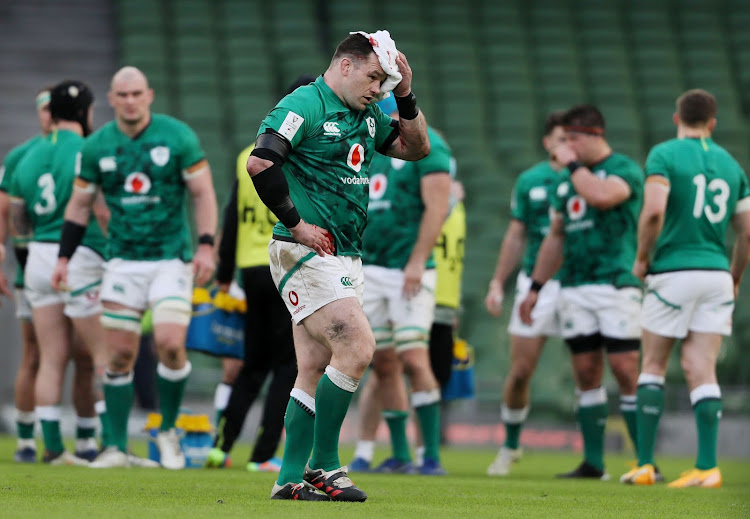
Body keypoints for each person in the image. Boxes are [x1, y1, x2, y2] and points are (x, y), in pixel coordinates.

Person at [246, 32, 429, 501]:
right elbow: (261, 162)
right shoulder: (304, 103)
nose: (377, 89)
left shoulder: (367, 114)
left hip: (343, 252)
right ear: (345, 66)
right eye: (374, 77)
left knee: (313, 366)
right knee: (359, 345)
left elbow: (416, 149)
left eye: (385, 83)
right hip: (303, 249)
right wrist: (297, 223)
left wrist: (404, 94)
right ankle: (324, 464)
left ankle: (288, 480)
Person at [51, 66, 218, 469]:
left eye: (136, 93)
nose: (129, 101)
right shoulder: (96, 147)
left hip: (170, 259)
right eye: (122, 95)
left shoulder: (177, 136)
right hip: (122, 261)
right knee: (119, 355)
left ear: (149, 95)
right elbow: (78, 206)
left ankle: (168, 431)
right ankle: (114, 447)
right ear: (111, 98)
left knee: (171, 344)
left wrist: (207, 247)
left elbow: (202, 193)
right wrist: (63, 257)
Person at [620, 89, 750, 488]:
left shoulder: (665, 155)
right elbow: (746, 232)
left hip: (674, 272)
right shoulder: (732, 164)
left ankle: (644, 464)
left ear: (677, 119)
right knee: (701, 369)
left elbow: (655, 209)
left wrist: (642, 258)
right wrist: (735, 277)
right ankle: (707, 467)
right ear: (713, 123)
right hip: (716, 275)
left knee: (654, 366)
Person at [519, 105, 643, 480]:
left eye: (572, 138)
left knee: (625, 370)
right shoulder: (565, 183)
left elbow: (603, 197)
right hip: (575, 283)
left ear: (593, 135)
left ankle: (646, 460)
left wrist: (573, 166)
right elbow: (555, 237)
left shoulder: (624, 170)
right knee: (586, 372)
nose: (565, 146)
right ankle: (594, 463)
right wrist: (536, 287)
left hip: (615, 282)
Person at [205, 74, 316, 473]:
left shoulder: (247, 154)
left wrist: (222, 273)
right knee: (288, 365)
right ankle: (264, 454)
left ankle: (220, 447)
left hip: (251, 268)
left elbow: (232, 216)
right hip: (285, 265)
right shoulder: (306, 154)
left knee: (252, 364)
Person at [349, 93, 451, 475]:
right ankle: (400, 455)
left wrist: (416, 261)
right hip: (371, 267)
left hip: (409, 269)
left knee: (413, 357)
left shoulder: (430, 144)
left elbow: (438, 206)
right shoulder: (368, 140)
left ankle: (431, 456)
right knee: (385, 362)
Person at [9, 80, 108, 465]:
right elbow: (98, 209)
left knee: (50, 358)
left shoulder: (25, 156)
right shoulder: (89, 148)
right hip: (81, 256)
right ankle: (105, 441)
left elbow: (19, 221)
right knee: (101, 355)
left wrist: (26, 265)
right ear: (85, 111)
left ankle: (51, 447)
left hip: (37, 258)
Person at [485, 112, 566, 476]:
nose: (568, 146)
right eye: (562, 138)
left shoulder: (593, 178)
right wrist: (498, 282)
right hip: (536, 281)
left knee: (589, 370)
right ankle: (510, 445)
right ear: (548, 141)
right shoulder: (531, 180)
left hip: (582, 281)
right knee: (519, 372)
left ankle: (595, 460)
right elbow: (516, 235)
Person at [0, 87, 51, 462]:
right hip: (32, 269)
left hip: (75, 268)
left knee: (83, 355)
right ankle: (25, 438)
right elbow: (4, 212)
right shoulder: (20, 156)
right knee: (33, 352)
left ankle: (86, 436)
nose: (51, 114)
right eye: (46, 108)